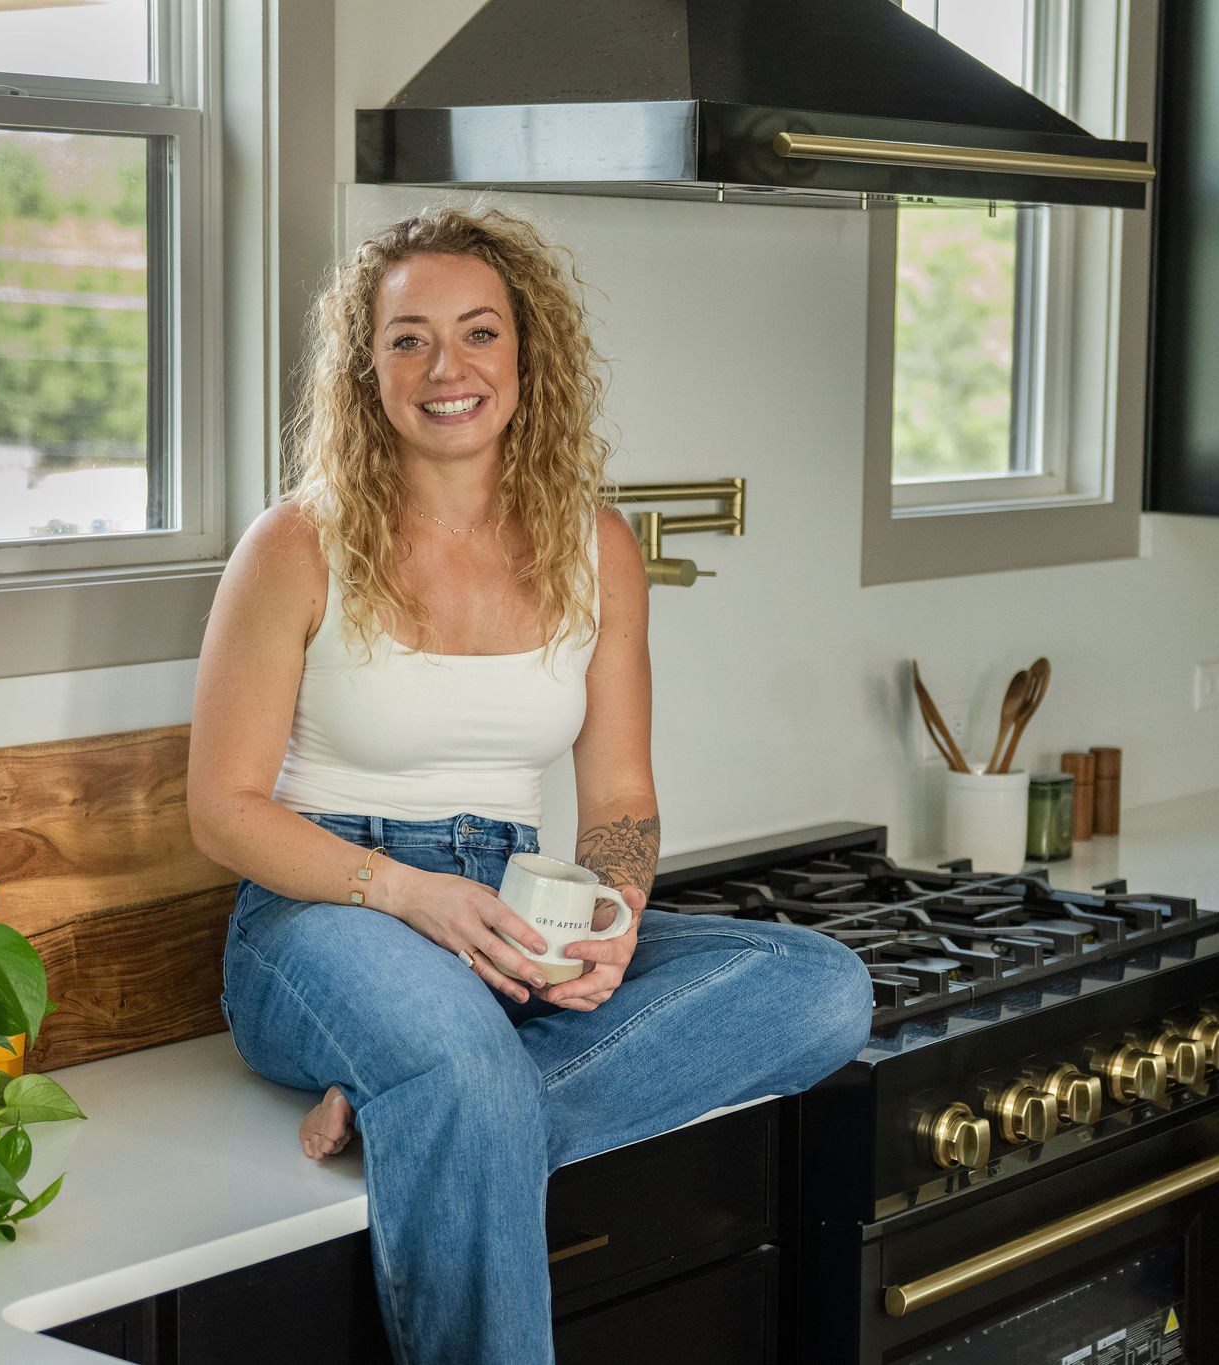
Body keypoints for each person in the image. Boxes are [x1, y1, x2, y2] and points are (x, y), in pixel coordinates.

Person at [185, 207, 873, 1364]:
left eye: (477, 332)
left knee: (821, 988)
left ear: (525, 356)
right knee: (455, 1061)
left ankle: (422, 1109)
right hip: (324, 911)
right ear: (366, 368)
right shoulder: (296, 543)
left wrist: (609, 917)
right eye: (406, 339)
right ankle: (441, 1090)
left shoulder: (595, 544)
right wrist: (409, 895)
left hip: (507, 909)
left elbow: (617, 801)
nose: (445, 369)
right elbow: (221, 810)